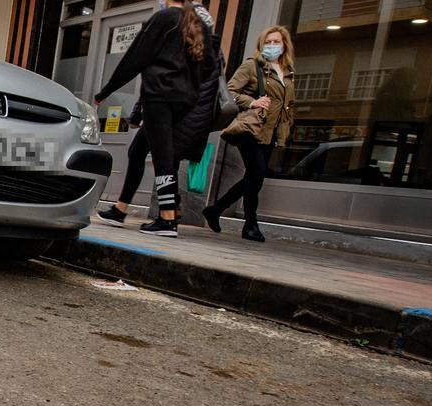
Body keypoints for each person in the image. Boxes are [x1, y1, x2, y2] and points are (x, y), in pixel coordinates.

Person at [94, 0, 220, 238]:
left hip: (159, 97)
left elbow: (135, 57)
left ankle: (167, 218)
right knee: (137, 150)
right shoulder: (195, 22)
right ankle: (120, 210)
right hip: (183, 100)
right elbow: (210, 64)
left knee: (163, 158)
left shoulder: (165, 18)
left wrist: (106, 91)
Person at [202, 26, 297, 243]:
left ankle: (216, 209)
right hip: (252, 129)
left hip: (272, 132)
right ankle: (250, 224)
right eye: (268, 42)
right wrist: (252, 102)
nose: (272, 46)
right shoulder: (253, 66)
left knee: (254, 176)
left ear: (285, 46)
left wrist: (286, 126)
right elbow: (230, 91)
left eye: (276, 42)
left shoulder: (288, 72)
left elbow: (288, 104)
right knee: (257, 173)